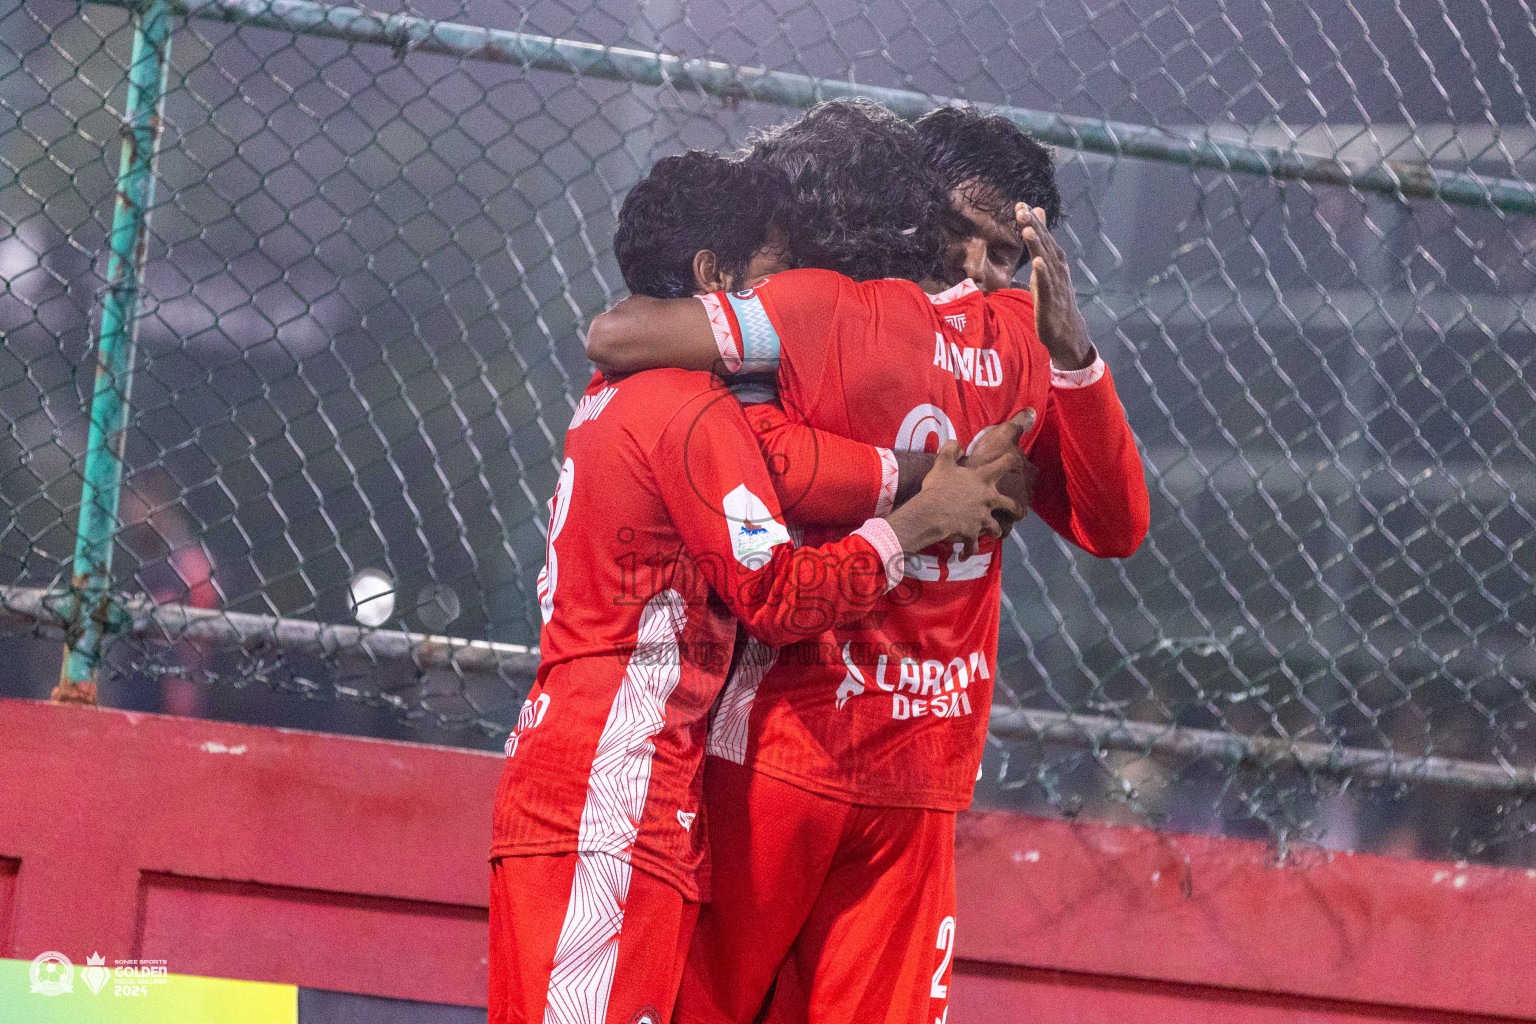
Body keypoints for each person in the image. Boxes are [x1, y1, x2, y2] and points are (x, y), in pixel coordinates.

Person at [586, 99, 1150, 1024]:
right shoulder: (1021, 342)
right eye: (964, 237)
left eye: (1001, 255)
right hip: (860, 761)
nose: (977, 269)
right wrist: (1067, 360)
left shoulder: (821, 308)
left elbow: (621, 338)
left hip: (820, 753)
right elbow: (1117, 527)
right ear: (916, 209)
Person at [486, 149, 1028, 1024]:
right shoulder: (691, 407)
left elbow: (787, 461)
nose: (786, 292)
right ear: (714, 277)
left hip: (576, 777)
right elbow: (777, 595)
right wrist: (925, 518)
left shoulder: (614, 393)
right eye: (774, 272)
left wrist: (922, 469)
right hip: (616, 796)